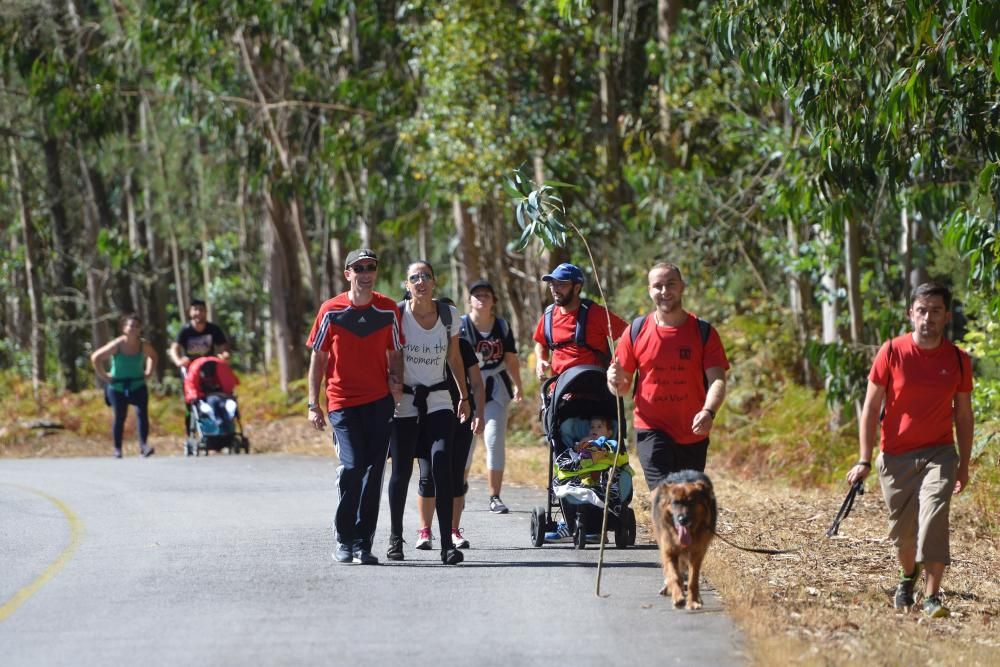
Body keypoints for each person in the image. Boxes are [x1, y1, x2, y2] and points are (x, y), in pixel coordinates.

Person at [846, 282, 973, 618]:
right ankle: (907, 577)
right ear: (910, 314)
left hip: (940, 454)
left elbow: (963, 414)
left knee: (933, 517)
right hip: (895, 457)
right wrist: (863, 459)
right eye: (921, 310)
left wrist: (964, 465)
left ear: (946, 316)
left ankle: (932, 598)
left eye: (935, 311)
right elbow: (871, 409)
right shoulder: (891, 352)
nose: (927, 317)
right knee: (905, 538)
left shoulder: (958, 361)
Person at [306, 248, 404, 566]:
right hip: (342, 403)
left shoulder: (388, 309)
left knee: (373, 474)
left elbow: (396, 352)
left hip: (379, 402)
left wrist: (397, 382)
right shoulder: (331, 310)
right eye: (358, 267)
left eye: (370, 267)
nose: (365, 272)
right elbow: (318, 358)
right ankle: (343, 538)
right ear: (348, 273)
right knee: (352, 466)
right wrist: (313, 404)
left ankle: (363, 544)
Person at [385, 262, 482, 565]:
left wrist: (465, 397)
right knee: (401, 471)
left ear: (435, 282)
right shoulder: (398, 314)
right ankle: (395, 539)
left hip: (440, 399)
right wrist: (393, 385)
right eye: (414, 277)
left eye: (426, 276)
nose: (421, 281)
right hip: (407, 402)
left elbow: (454, 357)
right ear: (407, 284)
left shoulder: (449, 314)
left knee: (441, 464)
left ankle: (446, 547)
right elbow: (393, 354)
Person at [607, 262, 729, 491]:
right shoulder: (635, 330)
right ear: (650, 291)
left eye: (670, 284)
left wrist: (709, 411)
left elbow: (717, 380)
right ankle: (664, 527)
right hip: (651, 427)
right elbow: (622, 388)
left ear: (682, 287)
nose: (664, 291)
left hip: (693, 432)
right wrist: (612, 381)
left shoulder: (703, 332)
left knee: (687, 501)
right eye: (658, 286)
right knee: (662, 496)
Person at [460, 279, 524, 515]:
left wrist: (518, 386)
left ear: (494, 301)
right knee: (466, 445)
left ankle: (494, 496)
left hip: (496, 389)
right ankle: (460, 489)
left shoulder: (502, 327)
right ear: (469, 300)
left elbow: (510, 360)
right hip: (468, 390)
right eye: (476, 295)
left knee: (495, 442)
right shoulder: (460, 326)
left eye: (486, 295)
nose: (481, 299)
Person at [437, 297, 486, 549]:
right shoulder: (420, 344)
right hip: (431, 415)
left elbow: (477, 383)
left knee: (457, 475)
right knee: (431, 475)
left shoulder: (464, 347)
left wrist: (479, 413)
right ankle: (425, 531)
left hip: (462, 415)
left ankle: (454, 530)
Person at [533, 262, 627, 380]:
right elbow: (541, 343)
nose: (555, 290)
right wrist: (541, 360)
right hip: (559, 391)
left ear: (576, 288)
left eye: (561, 284)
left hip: (594, 391)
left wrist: (619, 362)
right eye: (552, 284)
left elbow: (628, 335)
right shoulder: (548, 315)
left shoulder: (596, 313)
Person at [90, 313, 158, 458]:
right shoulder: (117, 345)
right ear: (124, 328)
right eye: (130, 326)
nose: (133, 329)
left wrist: (149, 372)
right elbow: (96, 358)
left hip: (138, 385)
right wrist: (105, 376)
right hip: (117, 387)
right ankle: (117, 449)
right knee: (120, 416)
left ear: (140, 329)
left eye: (136, 326)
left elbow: (153, 356)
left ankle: (143, 446)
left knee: (142, 414)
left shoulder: (143, 345)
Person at [169, 299, 231, 437]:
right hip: (191, 372)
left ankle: (221, 430)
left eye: (201, 310)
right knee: (191, 404)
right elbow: (174, 347)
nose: (198, 313)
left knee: (218, 398)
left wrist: (224, 355)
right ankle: (191, 432)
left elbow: (224, 347)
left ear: (206, 312)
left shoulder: (213, 329)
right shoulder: (185, 330)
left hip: (209, 370)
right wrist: (178, 361)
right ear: (190, 312)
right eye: (195, 309)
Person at [183, 355, 240, 435]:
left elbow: (228, 383)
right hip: (205, 398)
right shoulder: (197, 371)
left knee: (222, 404)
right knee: (214, 403)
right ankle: (219, 422)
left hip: (220, 396)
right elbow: (192, 386)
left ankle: (225, 422)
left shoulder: (219, 368)